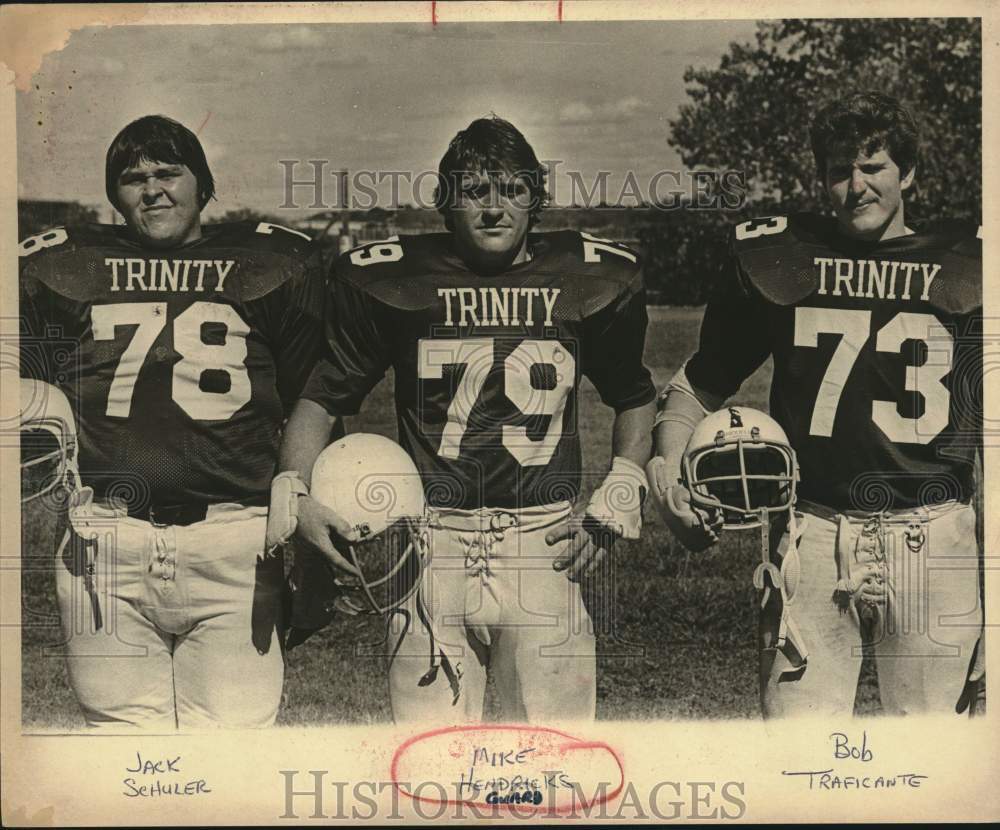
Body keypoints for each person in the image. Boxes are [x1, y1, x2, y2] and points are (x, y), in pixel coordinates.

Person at [275, 116, 656, 722]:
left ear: (537, 198)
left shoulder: (588, 279)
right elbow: (322, 398)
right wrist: (293, 494)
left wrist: (622, 488)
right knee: (431, 765)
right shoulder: (397, 283)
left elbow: (634, 394)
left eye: (512, 188)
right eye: (475, 191)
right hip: (430, 542)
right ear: (447, 204)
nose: (494, 208)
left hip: (544, 541)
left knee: (551, 762)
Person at [647, 91, 984, 717]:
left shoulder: (970, 267)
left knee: (939, 767)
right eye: (838, 170)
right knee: (796, 763)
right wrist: (665, 473)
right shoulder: (783, 260)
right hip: (811, 532)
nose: (855, 186)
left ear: (907, 173)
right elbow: (697, 386)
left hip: (934, 537)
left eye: (874, 167)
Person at [18, 115, 327, 730]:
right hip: (105, 538)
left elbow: (314, 398)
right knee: (121, 752)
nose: (152, 189)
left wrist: (306, 533)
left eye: (168, 173)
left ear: (203, 185)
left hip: (235, 537)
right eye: (133, 178)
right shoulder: (67, 267)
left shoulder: (269, 265)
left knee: (233, 753)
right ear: (114, 195)